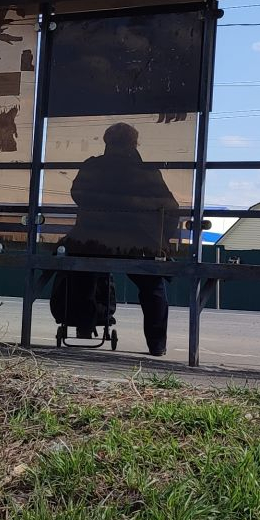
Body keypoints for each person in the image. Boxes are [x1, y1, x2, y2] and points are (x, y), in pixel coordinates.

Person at [68, 122, 178, 355]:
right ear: (134, 143)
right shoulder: (147, 172)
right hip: (138, 245)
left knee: (82, 277)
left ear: (106, 141)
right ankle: (157, 344)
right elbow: (171, 208)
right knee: (153, 288)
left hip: (92, 243)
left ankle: (85, 325)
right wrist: (162, 240)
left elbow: (77, 194)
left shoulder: (92, 167)